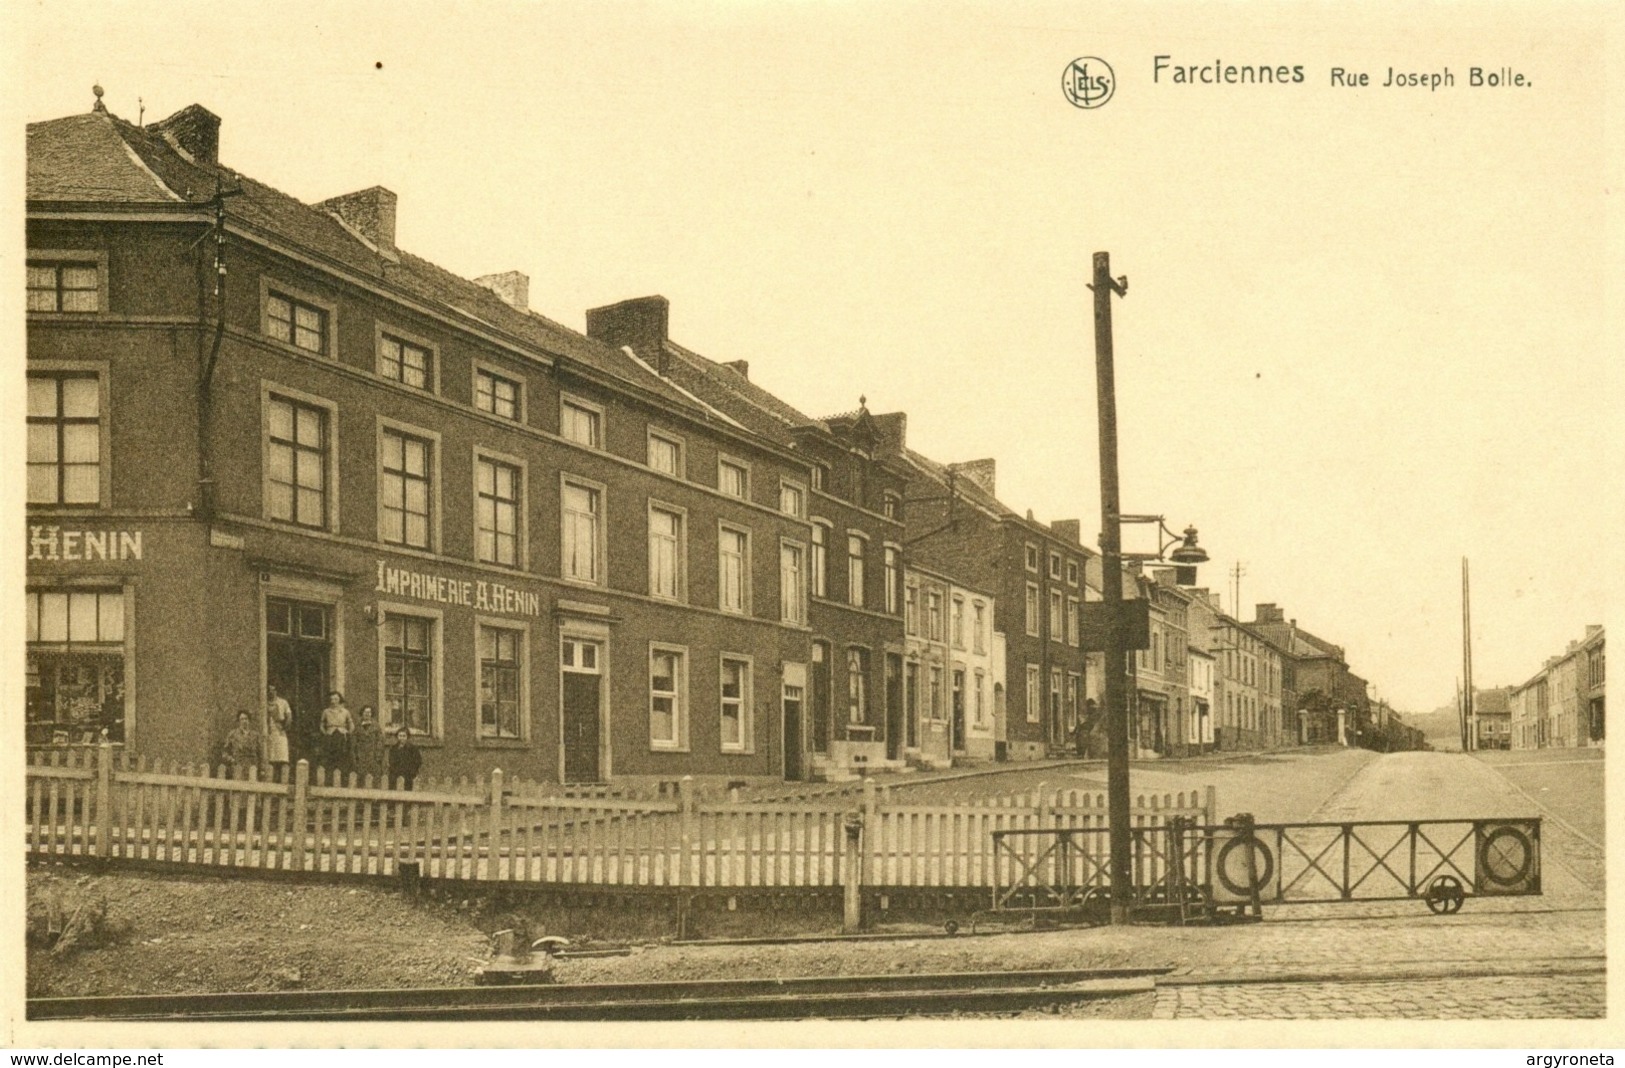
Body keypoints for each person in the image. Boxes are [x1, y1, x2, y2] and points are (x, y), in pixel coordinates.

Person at [319, 690, 356, 781]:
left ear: (339, 700)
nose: (333, 701)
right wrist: (325, 733)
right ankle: (329, 779)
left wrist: (348, 733)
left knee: (343, 756)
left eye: (336, 699)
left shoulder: (345, 712)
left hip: (342, 736)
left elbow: (351, 724)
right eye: (332, 699)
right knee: (330, 757)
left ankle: (343, 778)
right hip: (330, 735)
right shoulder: (326, 711)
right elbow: (321, 724)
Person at [352, 705, 386, 785]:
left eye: (369, 712)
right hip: (361, 755)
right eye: (365, 712)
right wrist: (355, 755)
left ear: (371, 714)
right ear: (362, 713)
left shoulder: (376, 726)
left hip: (373, 755)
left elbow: (380, 740)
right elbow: (353, 742)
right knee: (361, 777)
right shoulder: (357, 726)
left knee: (375, 777)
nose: (367, 714)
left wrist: (378, 754)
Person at [222, 710, 261, 777]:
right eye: (242, 719)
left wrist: (260, 768)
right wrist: (232, 760)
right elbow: (224, 753)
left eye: (246, 719)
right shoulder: (233, 734)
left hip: (252, 767)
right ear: (239, 721)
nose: (244, 721)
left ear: (249, 720)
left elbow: (260, 753)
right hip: (238, 766)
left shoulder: (255, 735)